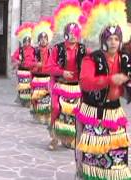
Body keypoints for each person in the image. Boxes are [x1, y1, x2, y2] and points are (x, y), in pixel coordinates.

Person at [75, 0, 131, 179]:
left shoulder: (125, 59)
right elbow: (85, 82)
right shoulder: (91, 59)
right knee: (92, 157)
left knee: (118, 158)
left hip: (115, 113)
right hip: (94, 112)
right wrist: (110, 80)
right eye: (110, 38)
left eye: (116, 38)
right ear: (103, 39)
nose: (113, 42)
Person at [46, 0, 87, 150]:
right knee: (56, 108)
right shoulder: (58, 48)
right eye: (71, 33)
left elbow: (90, 65)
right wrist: (62, 72)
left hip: (76, 88)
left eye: (76, 33)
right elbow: (49, 66)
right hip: (61, 85)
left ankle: (70, 137)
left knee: (75, 113)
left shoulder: (83, 50)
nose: (73, 36)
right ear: (65, 34)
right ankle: (53, 137)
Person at [28, 18, 53, 125]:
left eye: (45, 38)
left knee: (47, 99)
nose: (43, 40)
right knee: (37, 98)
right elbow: (28, 63)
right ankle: (38, 114)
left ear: (48, 40)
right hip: (37, 78)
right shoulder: (35, 51)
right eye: (41, 38)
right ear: (38, 40)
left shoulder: (52, 50)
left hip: (47, 78)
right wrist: (36, 65)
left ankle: (46, 115)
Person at [12, 22, 35, 107]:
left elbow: (36, 59)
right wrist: (16, 61)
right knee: (22, 86)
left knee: (29, 86)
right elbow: (14, 57)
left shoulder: (33, 50)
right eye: (25, 41)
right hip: (21, 71)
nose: (27, 43)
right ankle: (22, 100)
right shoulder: (20, 50)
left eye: (28, 41)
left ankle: (28, 101)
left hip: (30, 71)